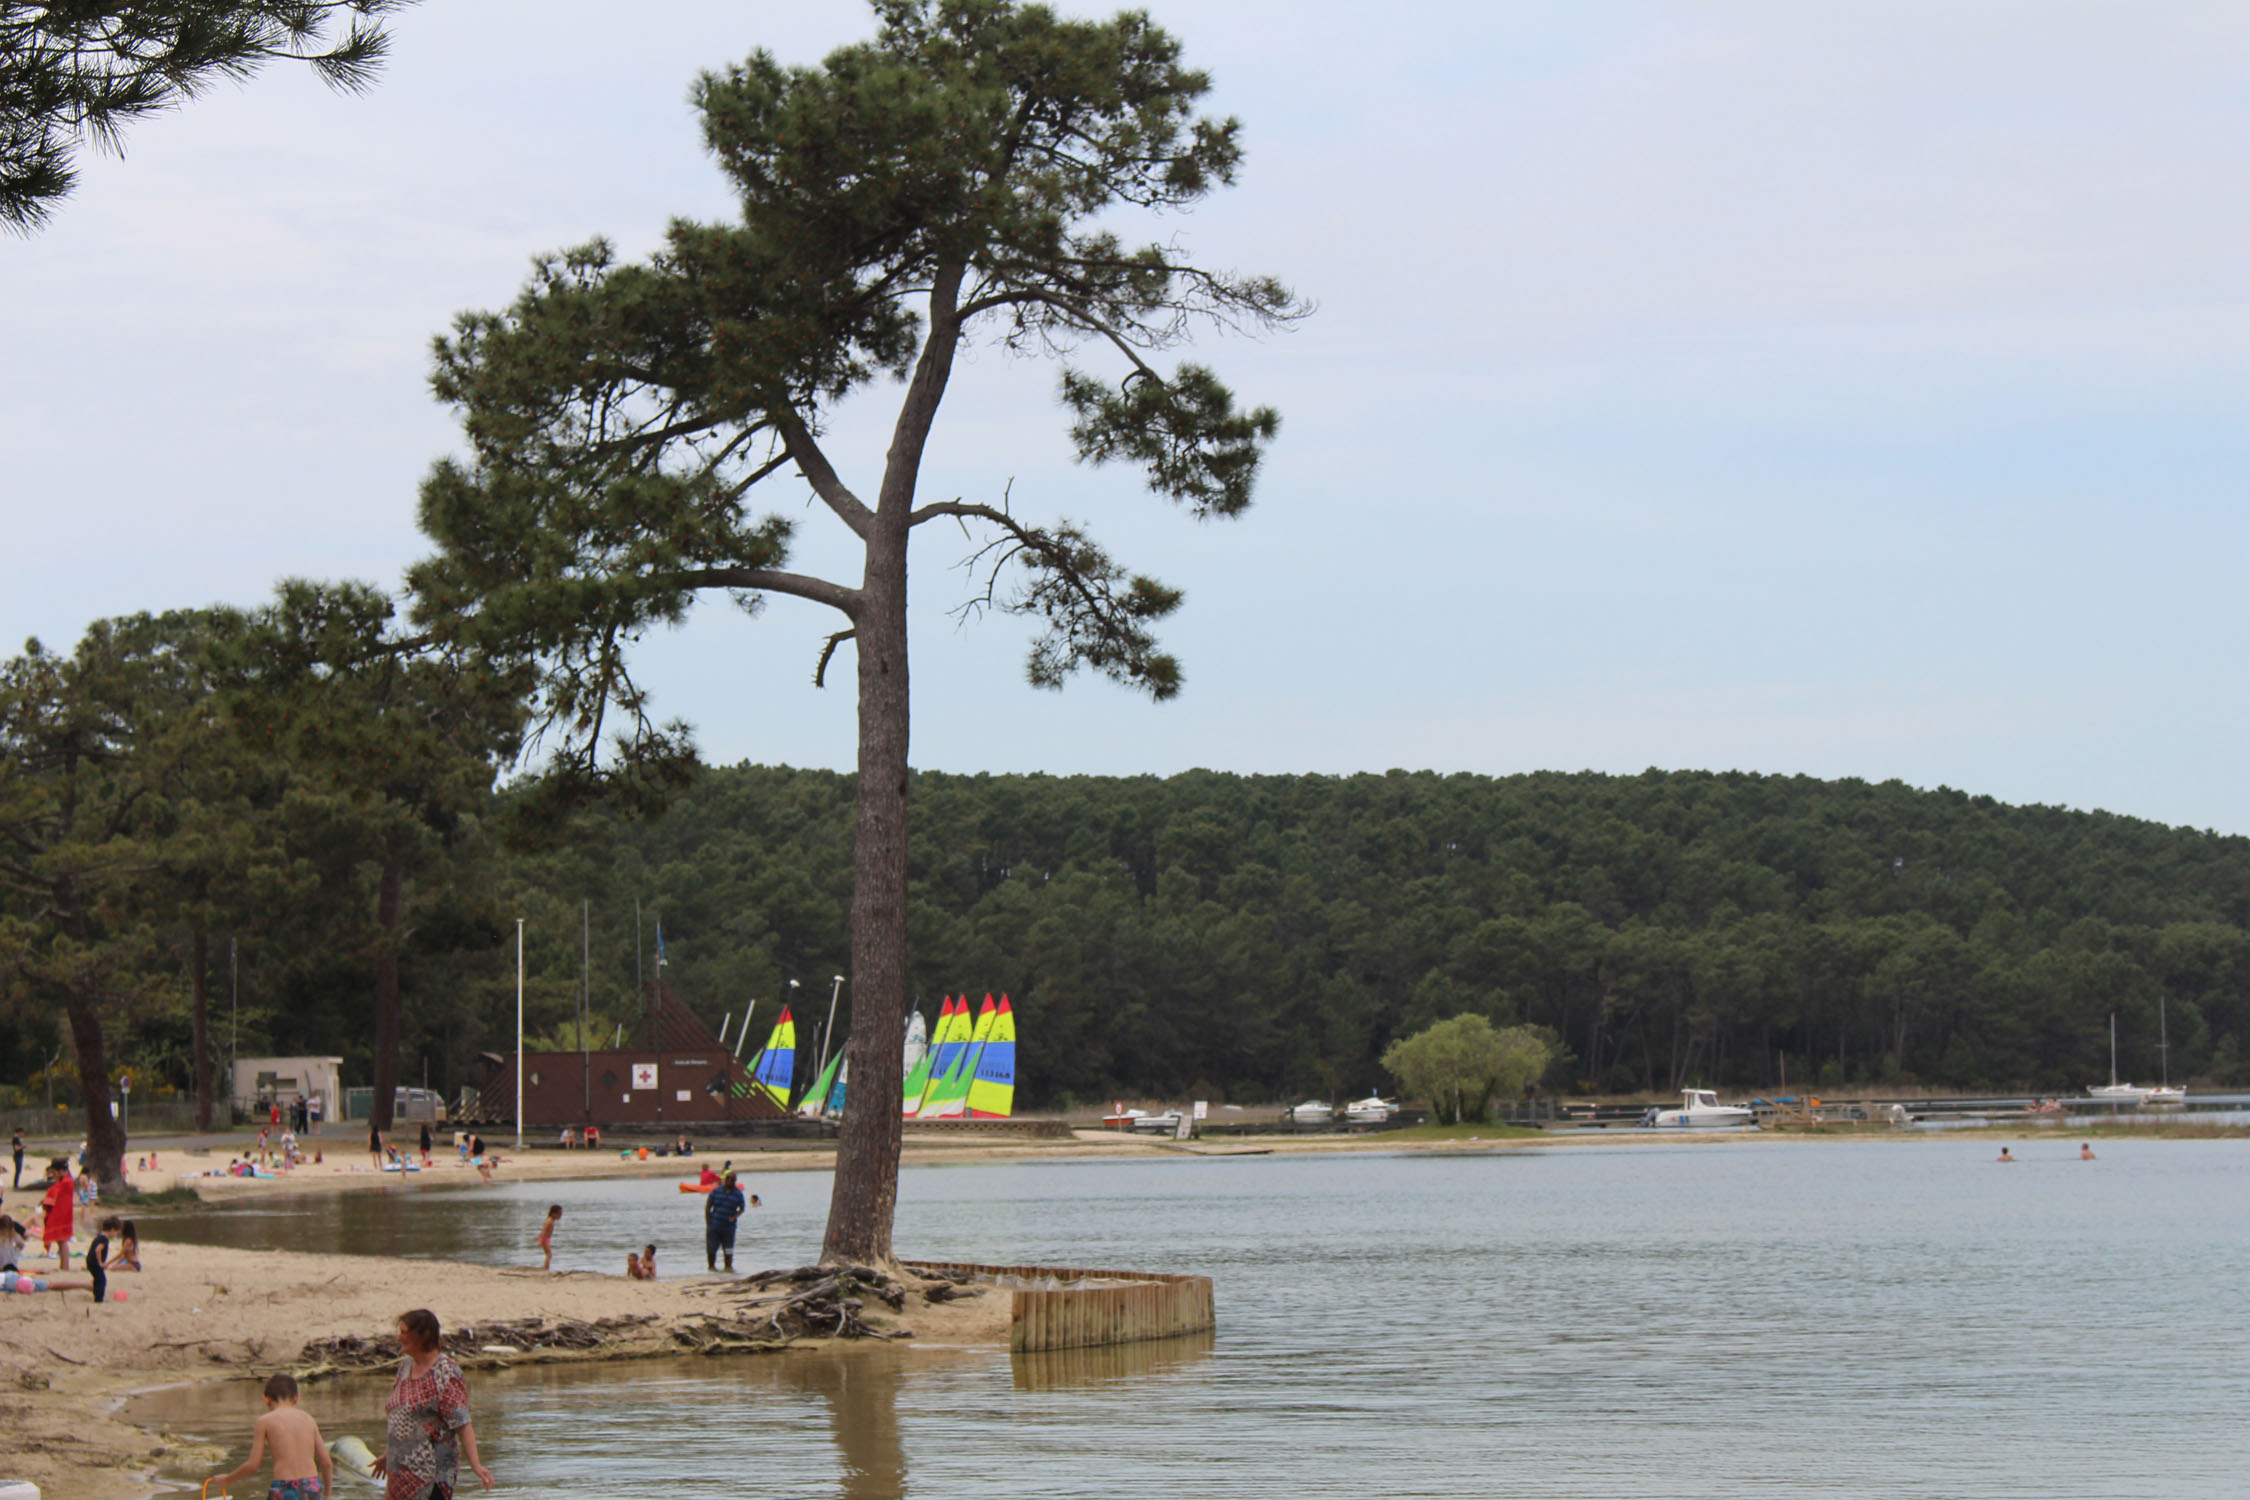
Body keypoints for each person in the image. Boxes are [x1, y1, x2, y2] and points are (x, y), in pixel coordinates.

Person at [373, 1308, 495, 1497]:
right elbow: (403, 1418)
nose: (399, 1338)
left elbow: (462, 1423)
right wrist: (388, 1453)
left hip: (431, 1475)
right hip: (399, 1472)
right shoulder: (405, 1368)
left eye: (404, 1333)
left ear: (424, 1335)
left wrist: (476, 1465)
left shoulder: (446, 1372)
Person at [210, 1371, 334, 1500]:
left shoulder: (264, 1421)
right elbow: (327, 1463)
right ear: (296, 1398)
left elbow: (253, 1466)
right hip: (312, 1486)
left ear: (266, 1399)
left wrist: (228, 1479)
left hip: (284, 1488)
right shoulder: (309, 1419)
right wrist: (327, 1495)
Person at [704, 1171, 747, 1273]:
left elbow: (742, 1208)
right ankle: (711, 1268)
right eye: (727, 1178)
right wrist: (709, 1224)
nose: (729, 1181)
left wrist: (735, 1216)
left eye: (731, 1179)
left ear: (735, 1181)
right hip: (714, 1225)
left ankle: (728, 1269)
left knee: (728, 1250)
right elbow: (708, 1207)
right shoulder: (716, 1192)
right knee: (711, 1249)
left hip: (729, 1227)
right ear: (724, 1179)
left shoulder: (738, 1194)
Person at [38, 1159, 74, 1265]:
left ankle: (65, 1266)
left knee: (62, 1241)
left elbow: (55, 1191)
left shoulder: (67, 1183)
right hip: (62, 1213)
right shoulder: (66, 1181)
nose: (53, 1175)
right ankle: (64, 1265)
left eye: (54, 1172)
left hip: (62, 1215)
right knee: (61, 1241)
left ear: (62, 1171)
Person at [86, 1214, 118, 1303]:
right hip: (95, 1263)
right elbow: (98, 1250)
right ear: (112, 1229)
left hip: (90, 1261)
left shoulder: (99, 1236)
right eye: (116, 1232)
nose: (116, 1234)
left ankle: (97, 1295)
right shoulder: (104, 1239)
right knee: (101, 1280)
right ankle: (99, 1299)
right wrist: (100, 1262)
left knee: (97, 1279)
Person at [537, 1205, 561, 1271]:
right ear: (553, 1214)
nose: (560, 1216)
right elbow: (544, 1230)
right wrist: (541, 1240)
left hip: (546, 1239)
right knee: (549, 1254)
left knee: (548, 1254)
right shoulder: (549, 1221)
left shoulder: (551, 1221)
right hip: (545, 1239)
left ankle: (546, 1267)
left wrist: (539, 1237)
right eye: (559, 1214)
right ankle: (546, 1268)